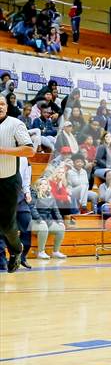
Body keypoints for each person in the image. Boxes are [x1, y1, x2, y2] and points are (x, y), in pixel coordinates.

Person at [0, 95, 35, 271]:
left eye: (2, 103)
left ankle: (16, 250)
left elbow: (30, 150)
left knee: (7, 224)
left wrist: (3, 150)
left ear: (7, 106)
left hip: (8, 180)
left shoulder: (15, 124)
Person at [0, 157, 33, 270]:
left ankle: (22, 257)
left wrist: (27, 192)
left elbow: (26, 177)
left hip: (20, 195)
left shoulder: (25, 159)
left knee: (26, 224)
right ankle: (2, 261)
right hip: (4, 195)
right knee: (3, 229)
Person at [30, 179, 67, 259]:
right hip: (34, 221)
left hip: (47, 220)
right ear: (37, 186)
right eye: (41, 184)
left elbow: (56, 210)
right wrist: (39, 220)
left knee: (61, 228)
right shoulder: (33, 195)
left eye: (45, 184)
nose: (43, 186)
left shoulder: (50, 196)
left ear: (48, 186)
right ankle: (41, 252)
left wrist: (60, 221)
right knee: (43, 227)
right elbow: (32, 209)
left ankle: (56, 252)